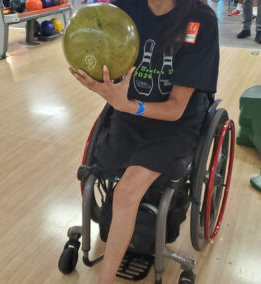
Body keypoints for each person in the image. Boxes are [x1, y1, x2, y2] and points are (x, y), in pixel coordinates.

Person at [69, 0, 219, 283]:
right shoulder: (124, 8)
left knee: (126, 192)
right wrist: (100, 84)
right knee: (103, 170)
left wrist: (127, 105)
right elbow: (108, 66)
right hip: (130, 115)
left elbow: (176, 108)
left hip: (174, 124)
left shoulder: (201, 21)